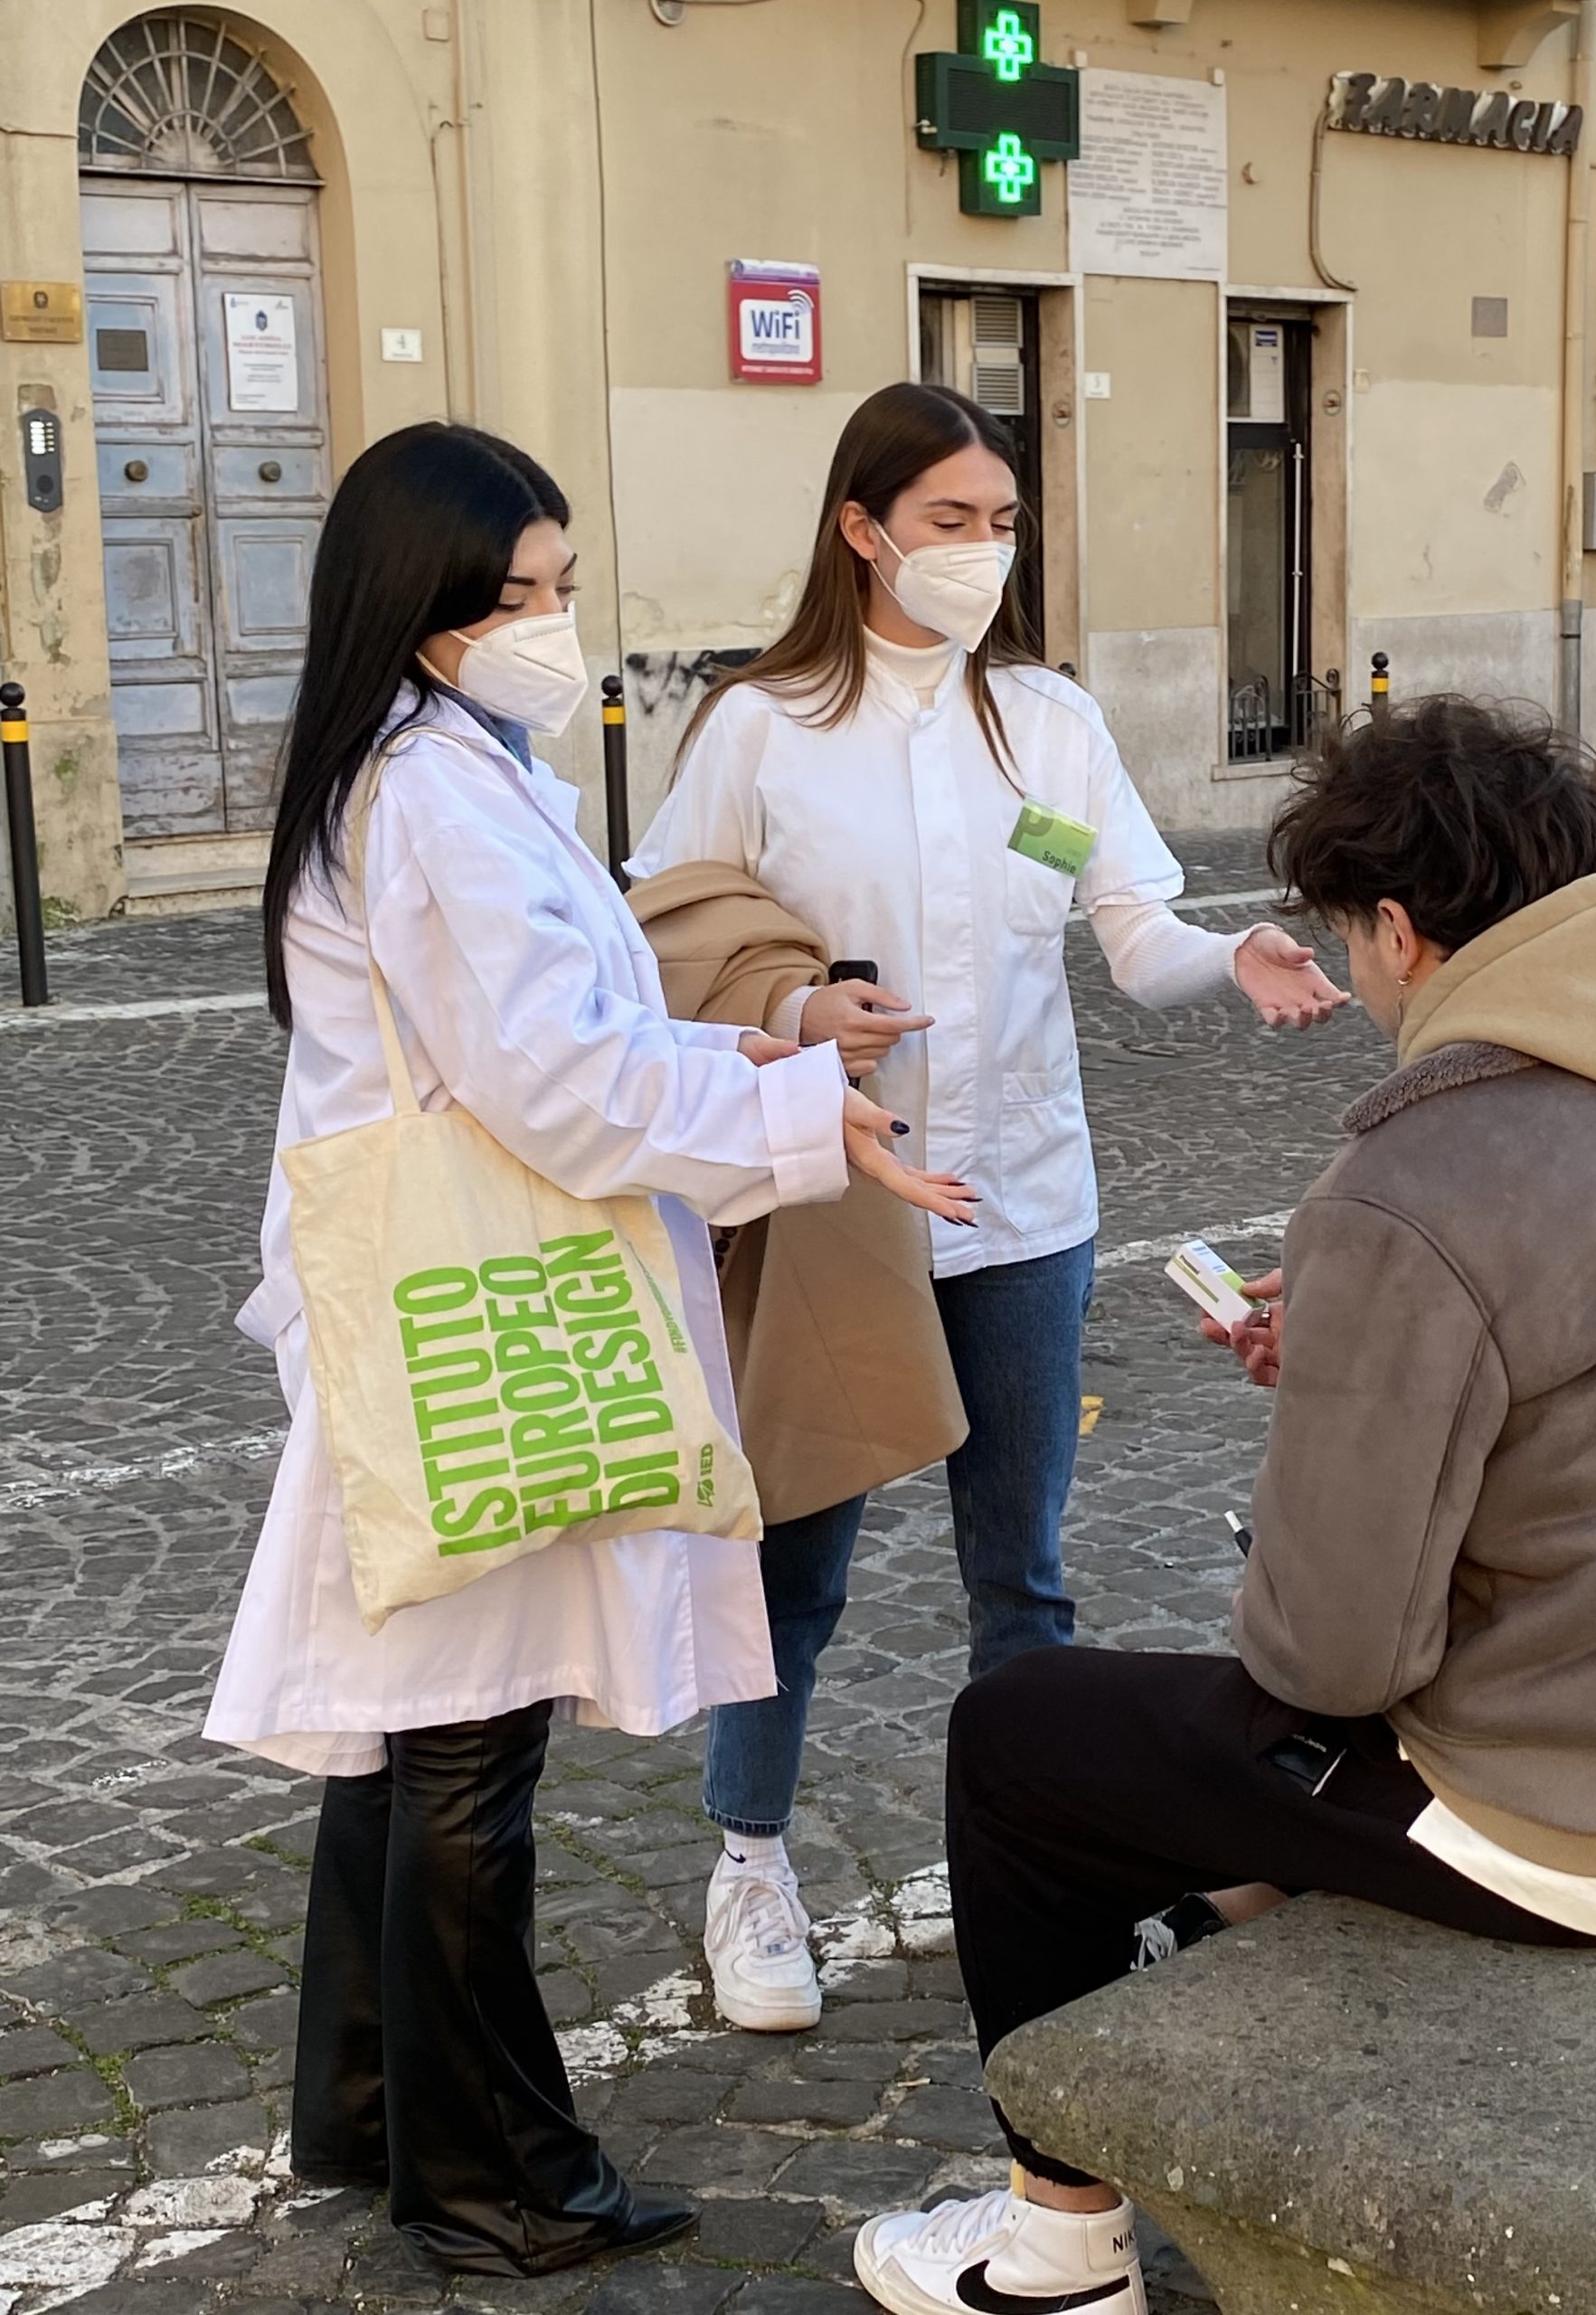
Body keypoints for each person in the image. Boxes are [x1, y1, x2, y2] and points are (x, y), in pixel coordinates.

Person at [847, 695, 1596, 2315]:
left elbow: (1327, 1658)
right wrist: (1374, 1360)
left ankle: (1058, 2249)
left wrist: (1373, 1363)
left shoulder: (1418, 1178)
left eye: (1350, 940)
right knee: (1194, 1765)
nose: (1353, 978)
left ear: (1406, 935)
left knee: (1021, 1737)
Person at [204, 421, 971, 2279]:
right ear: (426, 606)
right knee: (468, 1738)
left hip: (423, 1286)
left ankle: (377, 2103)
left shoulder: (422, 760)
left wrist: (774, 1073)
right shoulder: (439, 793)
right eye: (521, 593)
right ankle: (493, 2168)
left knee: (410, 1731)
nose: (556, 620)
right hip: (480, 1298)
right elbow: (557, 1080)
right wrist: (797, 1106)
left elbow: (551, 1042)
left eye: (560, 582)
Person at [628, 380, 1346, 2035]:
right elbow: (663, 941)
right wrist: (802, 1017)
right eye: (950, 521)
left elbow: (1132, 928)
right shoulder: (760, 728)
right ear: (862, 529)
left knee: (1019, 1571)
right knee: (794, 1564)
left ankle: (1047, 1850)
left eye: (1003, 522)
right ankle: (748, 1865)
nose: (982, 550)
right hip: (829, 1205)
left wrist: (1229, 955)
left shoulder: (1047, 723)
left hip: (1025, 1205)